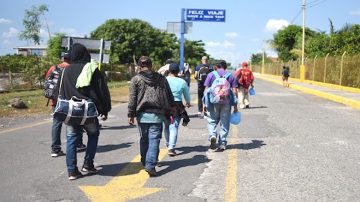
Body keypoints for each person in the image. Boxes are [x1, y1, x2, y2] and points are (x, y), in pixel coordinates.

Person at [59, 43, 111, 180]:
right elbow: (102, 91)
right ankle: (88, 164)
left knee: (71, 139)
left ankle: (72, 171)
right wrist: (105, 109)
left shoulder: (66, 70)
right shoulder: (92, 69)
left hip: (71, 110)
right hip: (88, 111)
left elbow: (61, 91)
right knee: (93, 134)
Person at [128, 56, 175, 177]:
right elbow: (169, 95)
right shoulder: (161, 78)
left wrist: (130, 114)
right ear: (151, 65)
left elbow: (132, 98)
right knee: (154, 139)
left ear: (139, 66)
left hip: (142, 114)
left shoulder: (135, 79)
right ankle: (150, 164)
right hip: (157, 114)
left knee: (144, 139)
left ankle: (145, 162)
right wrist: (171, 109)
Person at [45, 52, 86, 157]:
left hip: (55, 101)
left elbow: (47, 81)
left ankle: (55, 149)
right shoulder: (72, 69)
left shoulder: (53, 68)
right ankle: (78, 144)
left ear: (62, 58)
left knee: (56, 124)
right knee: (76, 122)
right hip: (70, 101)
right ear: (71, 58)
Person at [202, 60, 238, 151]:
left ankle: (213, 135)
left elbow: (206, 90)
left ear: (216, 67)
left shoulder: (211, 75)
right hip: (226, 102)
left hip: (212, 102)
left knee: (212, 121)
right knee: (224, 123)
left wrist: (204, 104)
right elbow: (234, 91)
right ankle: (222, 143)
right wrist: (235, 105)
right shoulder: (230, 76)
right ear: (225, 67)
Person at [164, 63, 190, 156]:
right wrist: (188, 102)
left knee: (166, 125)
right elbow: (186, 94)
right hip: (177, 105)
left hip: (165, 105)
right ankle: (171, 147)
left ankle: (168, 144)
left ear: (169, 70)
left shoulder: (164, 80)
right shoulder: (182, 82)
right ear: (178, 71)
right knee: (174, 126)